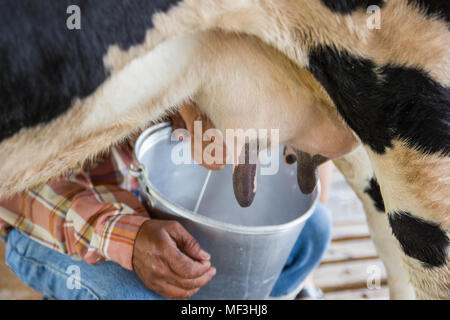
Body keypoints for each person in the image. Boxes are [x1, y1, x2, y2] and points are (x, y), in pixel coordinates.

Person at [0, 103, 332, 300]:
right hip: (44, 222)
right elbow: (14, 186)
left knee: (312, 231)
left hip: (151, 197)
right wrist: (126, 238)